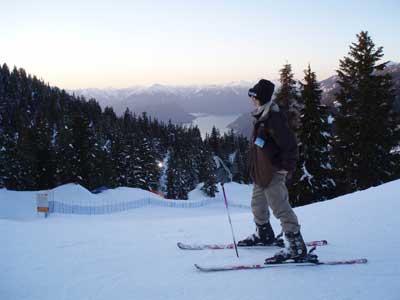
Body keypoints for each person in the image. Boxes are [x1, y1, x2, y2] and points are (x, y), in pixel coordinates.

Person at [237, 79, 307, 262]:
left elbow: (290, 145)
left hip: (273, 172)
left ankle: (296, 246)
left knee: (280, 208)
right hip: (262, 173)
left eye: (252, 96)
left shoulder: (273, 118)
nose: (251, 99)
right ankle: (264, 234)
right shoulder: (262, 115)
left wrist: (285, 168)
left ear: (259, 97)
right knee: (257, 205)